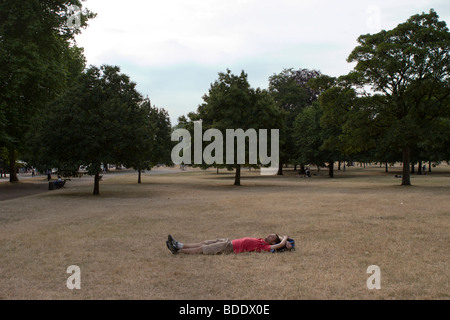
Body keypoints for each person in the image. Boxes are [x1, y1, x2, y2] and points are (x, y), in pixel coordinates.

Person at [166, 234, 293, 255]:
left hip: (229, 247)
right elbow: (279, 240)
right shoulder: (262, 240)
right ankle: (179, 244)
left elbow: (280, 244)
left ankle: (177, 250)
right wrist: (283, 237)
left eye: (272, 237)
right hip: (228, 241)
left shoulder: (265, 246)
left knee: (202, 249)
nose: (269, 235)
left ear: (273, 242)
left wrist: (285, 239)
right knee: (203, 243)